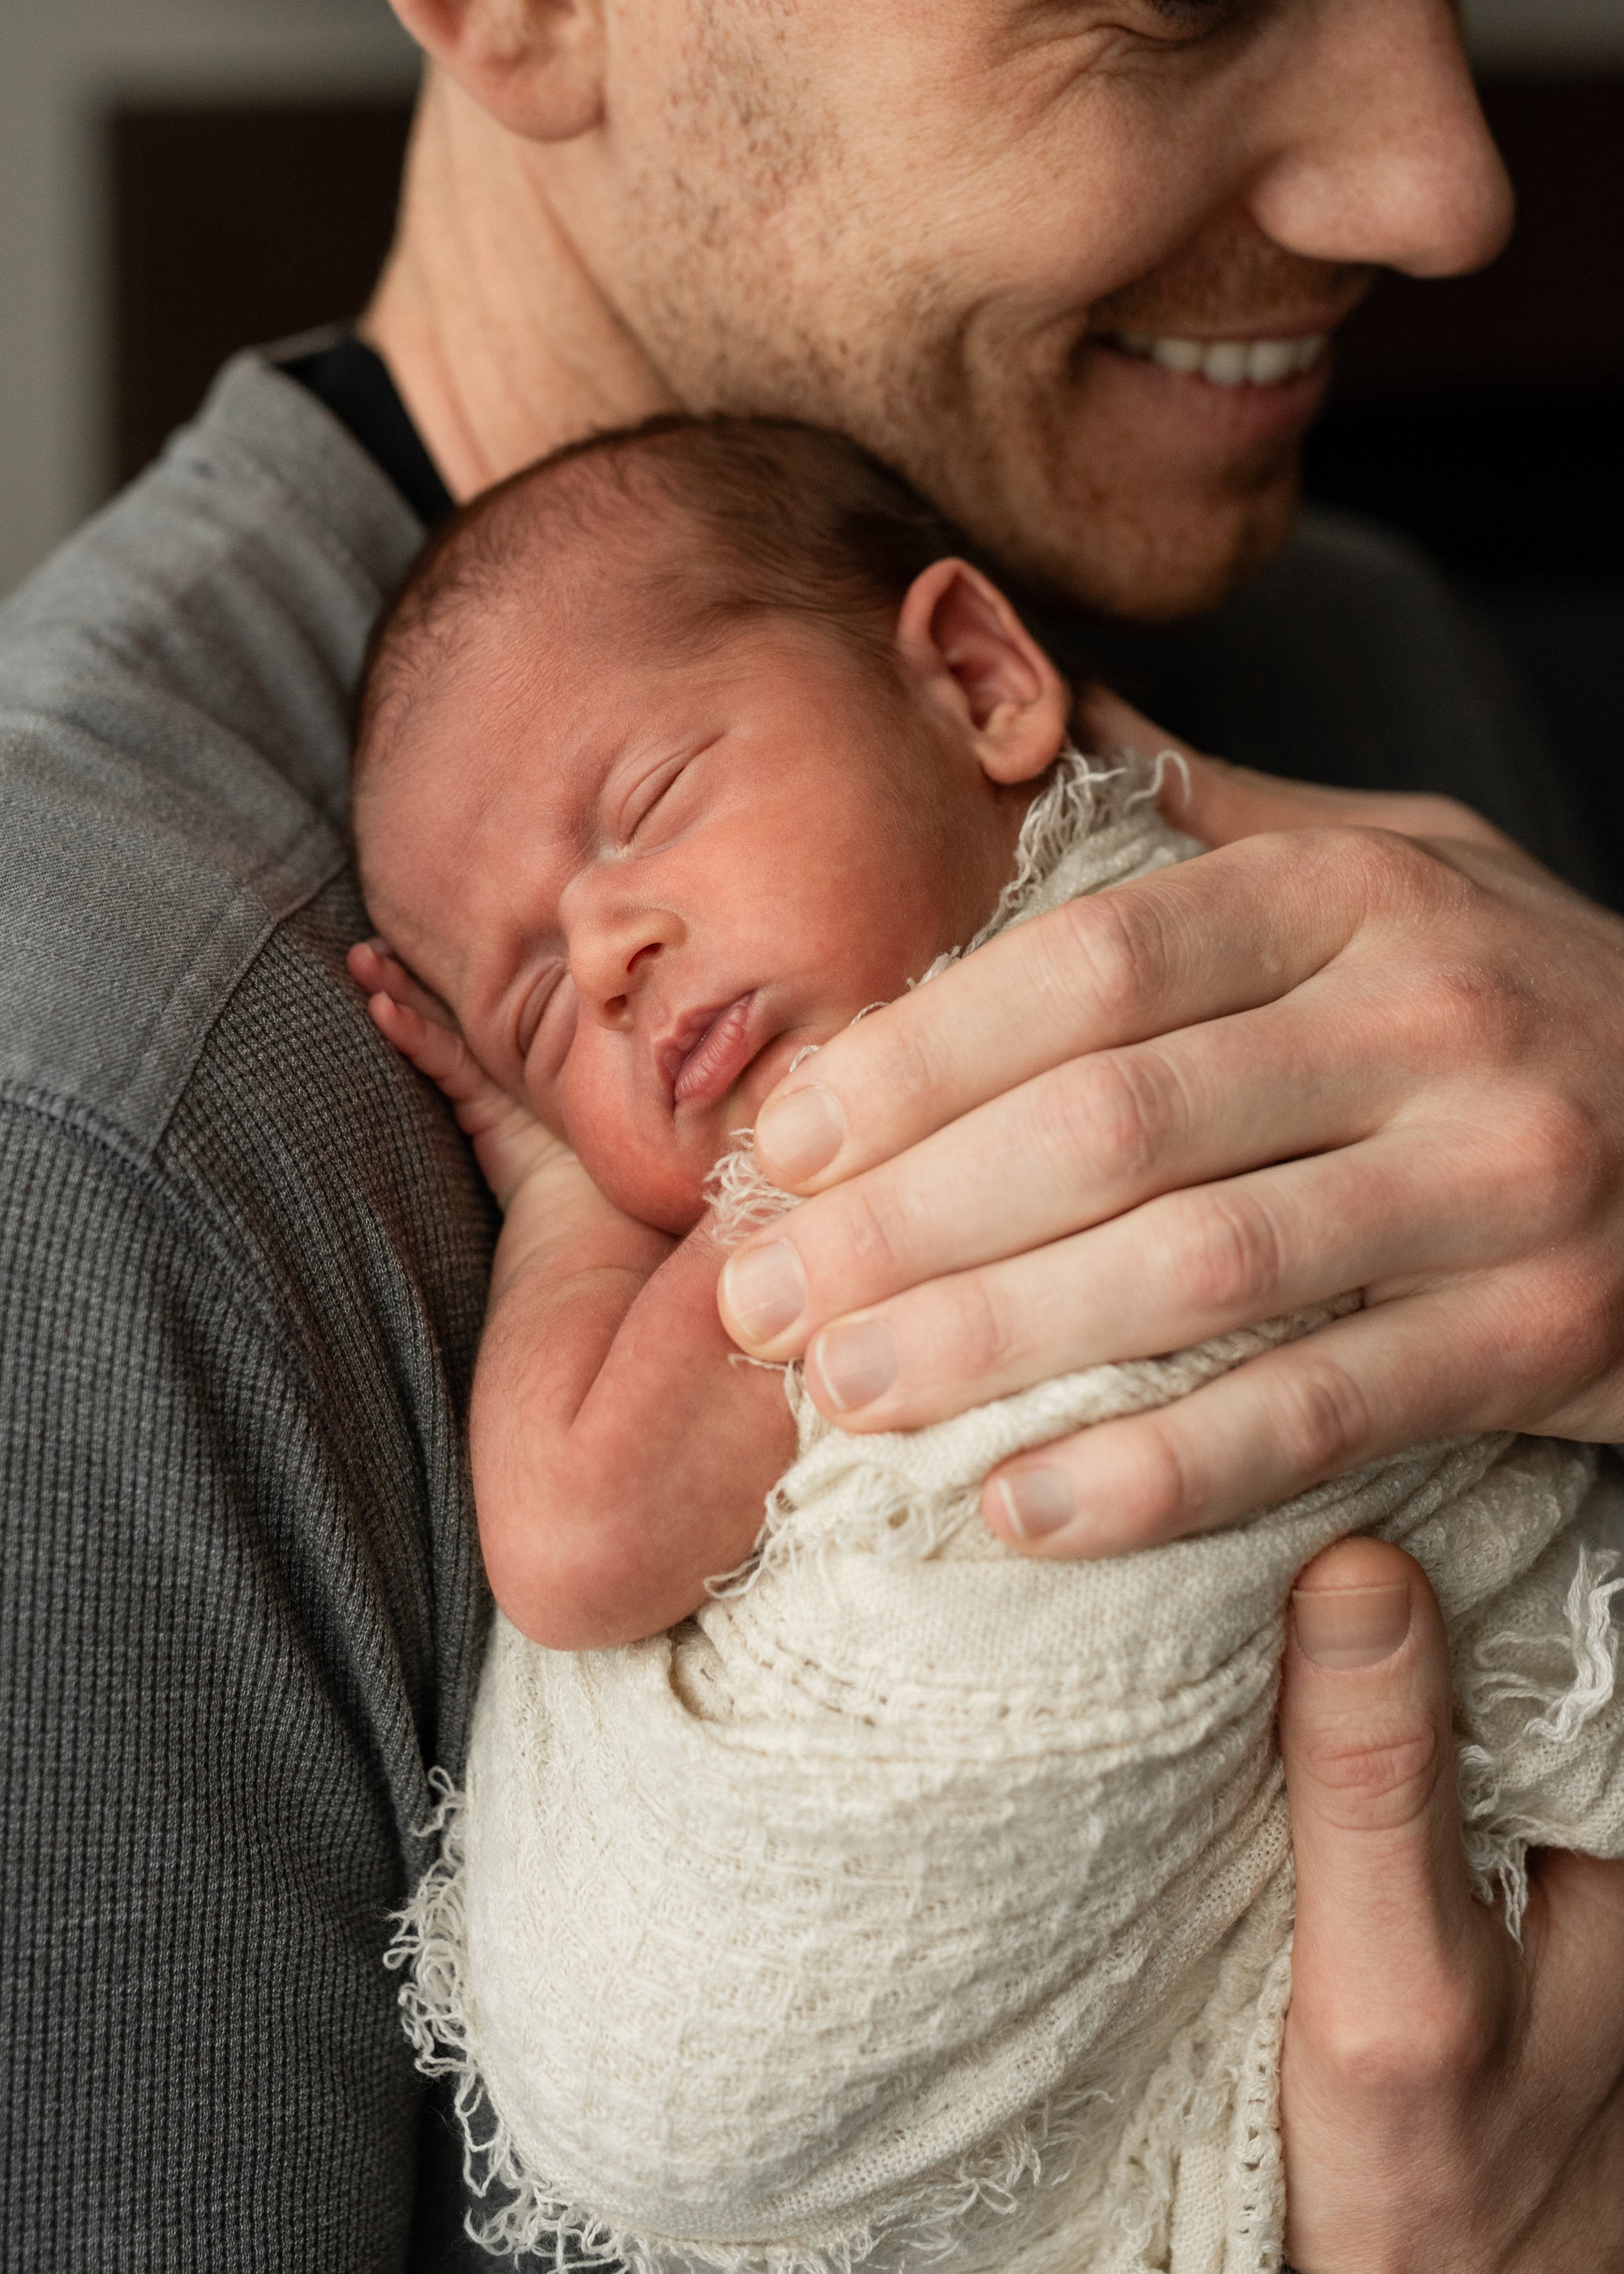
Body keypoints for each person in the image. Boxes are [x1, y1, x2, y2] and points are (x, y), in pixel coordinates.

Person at [2, 0, 1621, 2264]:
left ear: (971, 683)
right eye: (1174, 6)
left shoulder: (1372, 680)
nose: (1443, 183)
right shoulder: (85, 1134)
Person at [346, 412, 1623, 2271]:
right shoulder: (792, 1204)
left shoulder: (931, 1114)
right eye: (536, 1011)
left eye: (648, 807)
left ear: (972, 681)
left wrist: (554, 1187)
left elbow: (577, 1529)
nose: (609, 950)